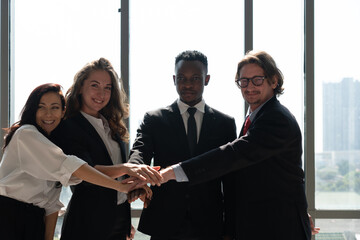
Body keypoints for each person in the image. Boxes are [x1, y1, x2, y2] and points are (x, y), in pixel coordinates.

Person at [159, 50, 315, 240]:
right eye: (244, 81)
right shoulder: (255, 117)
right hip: (263, 225)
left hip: (278, 228)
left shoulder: (276, 118)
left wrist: (173, 172)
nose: (249, 87)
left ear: (274, 81)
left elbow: (232, 155)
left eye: (257, 79)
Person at [0, 83, 148, 240]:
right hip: (8, 215)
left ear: (63, 111)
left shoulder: (54, 145)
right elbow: (72, 167)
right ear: (32, 109)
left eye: (55, 107)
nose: (48, 114)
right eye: (41, 107)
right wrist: (120, 185)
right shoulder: (26, 134)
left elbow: (51, 205)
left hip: (35, 220)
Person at [127, 50, 237, 240]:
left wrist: (230, 229)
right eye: (181, 78)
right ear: (173, 79)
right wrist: (137, 173)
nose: (187, 84)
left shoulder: (225, 123)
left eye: (195, 78)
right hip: (164, 222)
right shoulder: (154, 119)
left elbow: (231, 180)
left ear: (207, 79)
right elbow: (139, 151)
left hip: (210, 224)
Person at [50, 58, 162, 240]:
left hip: (117, 221)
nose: (101, 93)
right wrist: (127, 168)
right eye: (95, 85)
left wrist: (135, 187)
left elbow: (116, 175)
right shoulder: (69, 126)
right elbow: (85, 172)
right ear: (80, 88)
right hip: (87, 224)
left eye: (108, 87)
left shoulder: (111, 126)